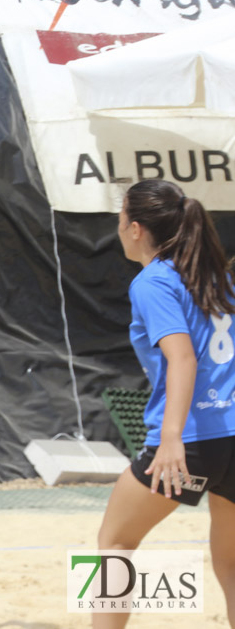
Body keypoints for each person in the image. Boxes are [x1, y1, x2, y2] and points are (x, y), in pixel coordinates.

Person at [94, 178, 235, 628]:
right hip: (231, 434)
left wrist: (171, 438)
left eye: (119, 220)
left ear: (136, 228)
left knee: (114, 545)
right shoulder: (220, 278)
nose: (117, 229)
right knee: (231, 563)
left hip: (193, 439)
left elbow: (182, 358)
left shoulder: (153, 281)